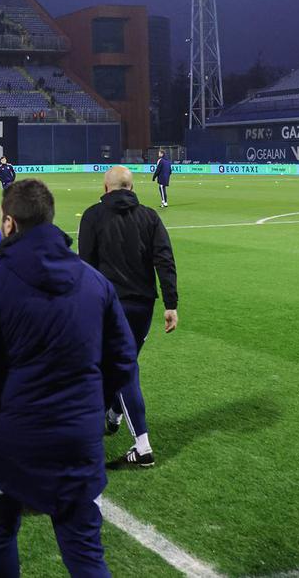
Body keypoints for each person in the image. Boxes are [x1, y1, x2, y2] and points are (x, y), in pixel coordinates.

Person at [0, 180, 137, 577]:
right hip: (77, 440)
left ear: (8, 224)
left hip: (12, 440)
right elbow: (122, 360)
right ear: (50, 219)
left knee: (0, 530)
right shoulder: (95, 282)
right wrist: (91, 407)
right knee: (86, 552)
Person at [77, 166, 178, 468]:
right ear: (132, 188)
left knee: (122, 366)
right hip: (142, 307)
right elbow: (164, 258)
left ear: (105, 188)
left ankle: (143, 446)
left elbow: (86, 266)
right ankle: (114, 414)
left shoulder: (93, 216)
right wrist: (170, 304)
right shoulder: (149, 216)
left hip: (107, 306)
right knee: (122, 361)